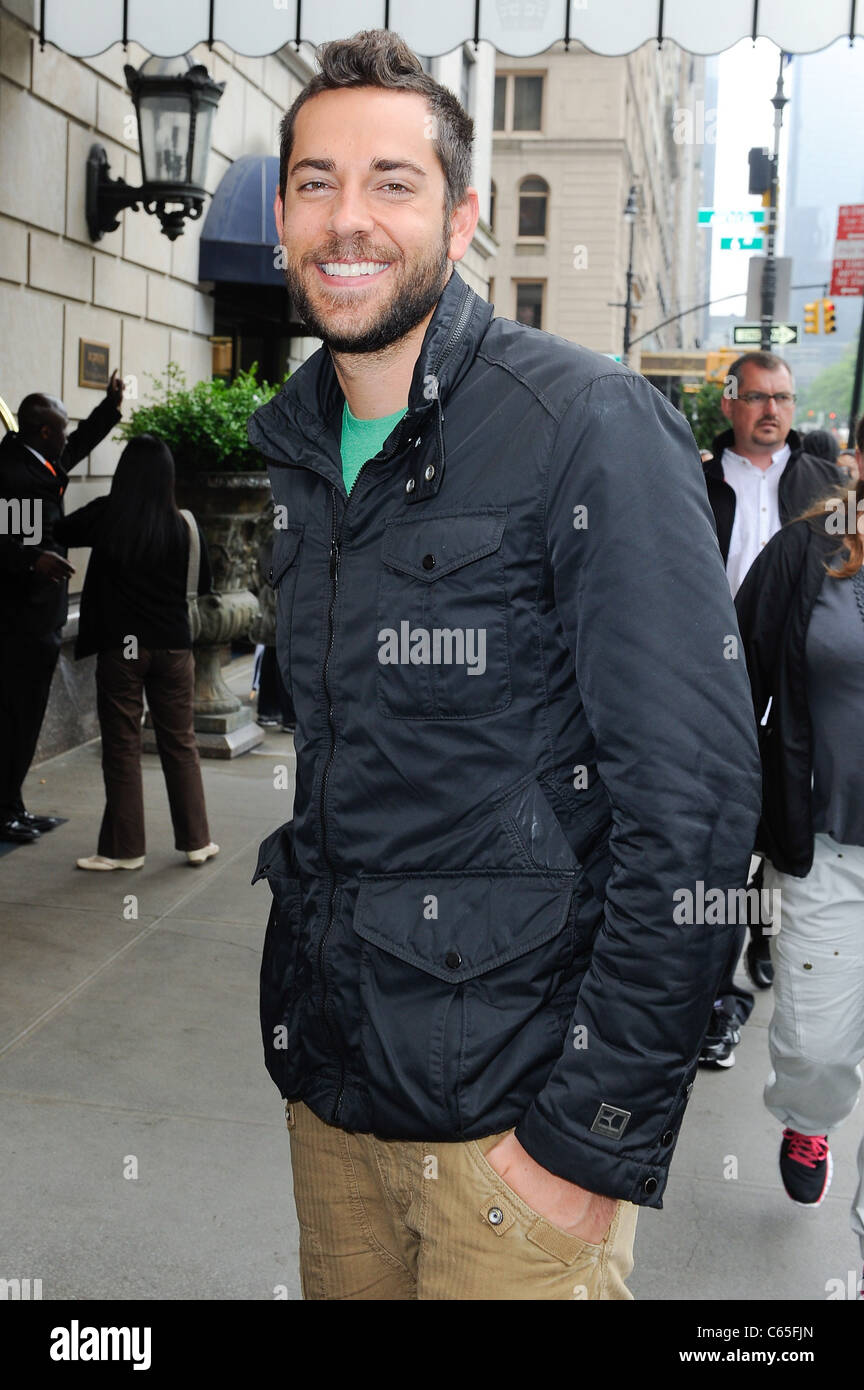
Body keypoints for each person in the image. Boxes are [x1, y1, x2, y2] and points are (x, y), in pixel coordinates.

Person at [247, 28, 761, 1302]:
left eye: (392, 182)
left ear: (463, 217)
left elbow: (693, 809)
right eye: (316, 181)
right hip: (335, 1104)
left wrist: (586, 1137)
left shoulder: (582, 424)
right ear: (281, 213)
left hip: (512, 1144)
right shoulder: (303, 450)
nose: (347, 218)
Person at [735, 473, 864, 1287]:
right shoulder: (806, 552)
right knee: (816, 1046)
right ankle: (808, 1119)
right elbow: (732, 678)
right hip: (828, 849)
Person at [699, 353, 842, 1066]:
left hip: (788, 696)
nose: (771, 411)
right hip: (712, 688)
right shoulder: (695, 483)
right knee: (727, 848)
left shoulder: (824, 489)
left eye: (783, 397)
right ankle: (721, 990)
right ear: (731, 404)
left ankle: (761, 938)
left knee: (773, 844)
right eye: (757, 397)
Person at [53, 435, 219, 870]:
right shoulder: (185, 524)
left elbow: (58, 529)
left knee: (123, 745)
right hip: (173, 646)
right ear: (169, 476)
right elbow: (203, 585)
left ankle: (123, 850)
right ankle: (197, 842)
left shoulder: (107, 516)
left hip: (123, 649)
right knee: (180, 742)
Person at [0, 373, 123, 843]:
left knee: (26, 718)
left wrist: (108, 408)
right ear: (45, 433)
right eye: (62, 430)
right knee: (15, 716)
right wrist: (35, 559)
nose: (69, 438)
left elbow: (80, 446)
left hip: (39, 618)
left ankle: (13, 804)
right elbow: (14, 543)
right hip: (20, 622)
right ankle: (5, 808)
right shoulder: (16, 475)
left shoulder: (38, 461)